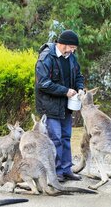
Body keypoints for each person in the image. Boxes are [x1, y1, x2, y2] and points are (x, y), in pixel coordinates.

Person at [35, 30, 84, 182]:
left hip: (66, 106)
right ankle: (56, 172)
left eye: (74, 49)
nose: (73, 51)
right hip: (49, 107)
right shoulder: (46, 58)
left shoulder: (71, 58)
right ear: (62, 44)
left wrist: (80, 87)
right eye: (71, 48)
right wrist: (65, 91)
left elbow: (78, 76)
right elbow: (43, 84)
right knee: (55, 139)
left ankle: (66, 169)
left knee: (66, 137)